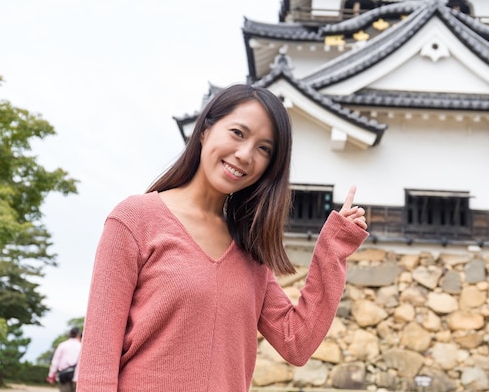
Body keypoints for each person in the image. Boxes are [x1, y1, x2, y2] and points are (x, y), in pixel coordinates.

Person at [76, 83, 368, 392]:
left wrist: (333, 248)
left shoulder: (249, 250)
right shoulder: (135, 219)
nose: (245, 155)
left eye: (264, 149)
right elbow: (98, 362)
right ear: (204, 131)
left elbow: (296, 342)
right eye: (238, 133)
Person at [47, 326, 82, 392]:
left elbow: (55, 361)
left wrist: (51, 375)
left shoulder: (62, 345)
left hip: (64, 375)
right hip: (77, 376)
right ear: (78, 334)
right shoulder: (81, 346)